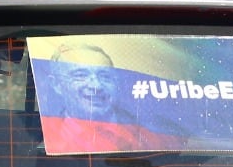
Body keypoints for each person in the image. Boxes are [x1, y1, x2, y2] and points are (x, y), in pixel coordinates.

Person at [40, 42, 184, 153]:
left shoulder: (158, 136)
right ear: (57, 84)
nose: (96, 85)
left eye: (105, 76)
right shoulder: (39, 139)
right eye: (81, 75)